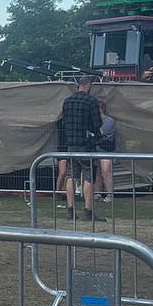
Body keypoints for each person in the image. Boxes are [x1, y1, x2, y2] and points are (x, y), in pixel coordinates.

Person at [58, 76, 104, 222]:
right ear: (89, 85)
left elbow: (64, 122)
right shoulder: (91, 101)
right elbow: (96, 124)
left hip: (71, 143)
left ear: (78, 85)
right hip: (86, 144)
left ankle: (70, 210)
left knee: (71, 176)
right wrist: (98, 136)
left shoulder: (67, 101)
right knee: (89, 176)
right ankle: (88, 210)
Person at [95, 100, 116, 203]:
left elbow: (101, 133)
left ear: (101, 109)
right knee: (97, 173)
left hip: (105, 150)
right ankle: (97, 193)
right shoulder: (93, 121)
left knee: (106, 173)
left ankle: (109, 194)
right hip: (94, 150)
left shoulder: (109, 120)